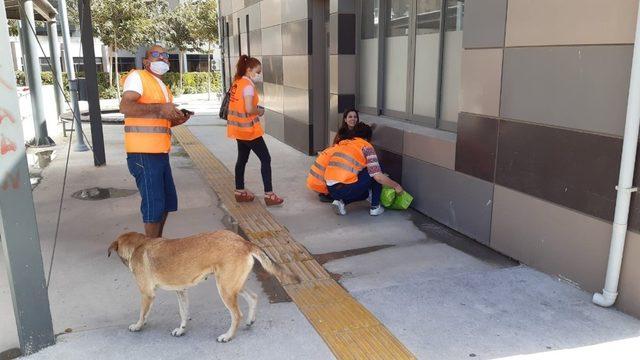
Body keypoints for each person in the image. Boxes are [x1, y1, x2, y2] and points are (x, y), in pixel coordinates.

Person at [119, 45, 190, 238]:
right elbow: (125, 106)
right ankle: (150, 252)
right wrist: (160, 109)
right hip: (143, 153)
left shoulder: (162, 87)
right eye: (156, 54)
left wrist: (175, 120)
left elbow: (158, 120)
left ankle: (156, 243)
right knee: (153, 204)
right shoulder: (138, 77)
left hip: (160, 153)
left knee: (166, 202)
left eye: (165, 55)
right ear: (145, 61)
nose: (162, 58)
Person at [227, 55, 284, 206]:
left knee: (242, 160)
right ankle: (269, 195)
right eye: (257, 72)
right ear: (249, 69)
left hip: (238, 130)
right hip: (249, 131)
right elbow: (249, 108)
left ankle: (239, 192)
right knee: (266, 159)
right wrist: (259, 111)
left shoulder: (237, 83)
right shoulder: (247, 86)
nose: (259, 75)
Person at [325, 123, 403, 216]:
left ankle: (341, 202)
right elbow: (379, 178)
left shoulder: (344, 143)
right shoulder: (366, 146)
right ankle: (375, 207)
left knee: (365, 192)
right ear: (367, 138)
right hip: (344, 188)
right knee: (376, 170)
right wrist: (396, 186)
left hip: (331, 189)